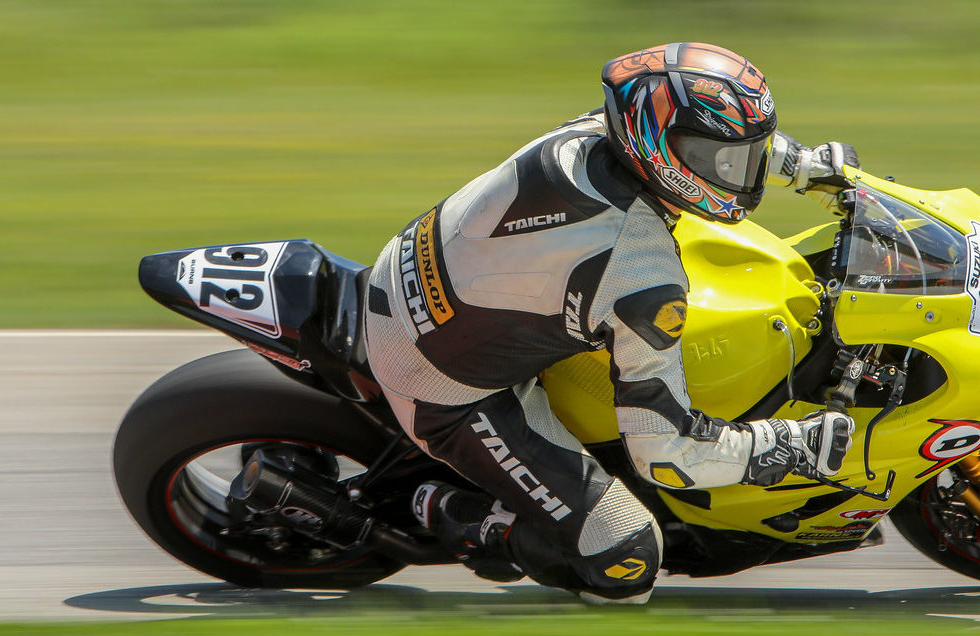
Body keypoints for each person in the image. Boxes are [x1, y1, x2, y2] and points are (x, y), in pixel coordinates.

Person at [363, 42, 858, 604]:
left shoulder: (600, 131)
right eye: (725, 159)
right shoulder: (639, 271)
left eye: (748, 155)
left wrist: (801, 165)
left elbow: (700, 140)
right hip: (440, 384)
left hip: (416, 272)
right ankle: (464, 516)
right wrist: (789, 444)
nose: (742, 176)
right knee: (628, 556)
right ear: (659, 146)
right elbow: (668, 454)